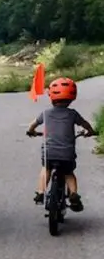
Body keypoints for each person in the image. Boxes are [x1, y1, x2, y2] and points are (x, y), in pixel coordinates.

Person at [26, 77, 96, 212]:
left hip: (49, 152)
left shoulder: (45, 113)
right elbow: (85, 124)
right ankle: (74, 195)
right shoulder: (73, 114)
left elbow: (32, 124)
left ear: (51, 96)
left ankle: (40, 193)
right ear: (72, 98)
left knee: (46, 169)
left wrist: (31, 131)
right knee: (69, 173)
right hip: (67, 153)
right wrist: (90, 131)